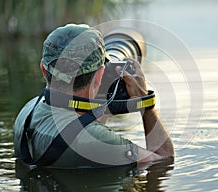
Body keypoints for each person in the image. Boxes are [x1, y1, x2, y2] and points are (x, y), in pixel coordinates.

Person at [13, 24, 174, 168]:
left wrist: (103, 106)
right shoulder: (98, 142)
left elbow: (78, 125)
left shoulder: (27, 112)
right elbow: (163, 159)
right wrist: (146, 105)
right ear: (99, 75)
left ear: (43, 69)